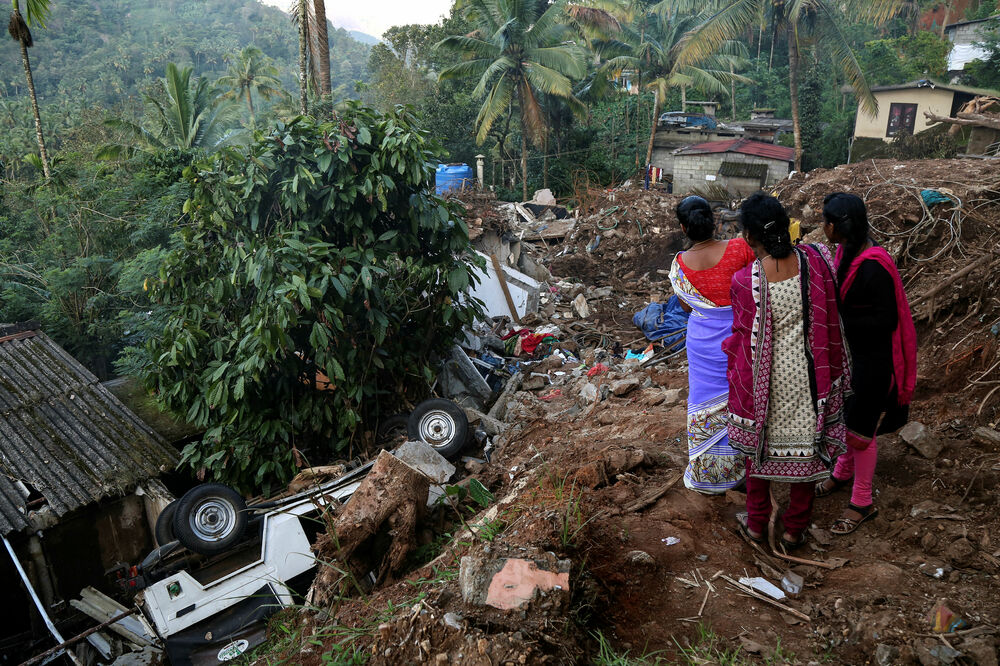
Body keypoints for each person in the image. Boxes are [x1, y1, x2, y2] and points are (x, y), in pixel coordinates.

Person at [724, 193, 849, 550]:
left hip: (768, 387)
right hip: (812, 381)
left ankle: (756, 524)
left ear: (748, 236)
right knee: (806, 456)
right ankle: (795, 529)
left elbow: (742, 340)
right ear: (784, 225)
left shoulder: (746, 281)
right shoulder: (818, 259)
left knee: (757, 452)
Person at [815, 192, 917, 535]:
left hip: (875, 361)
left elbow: (887, 319)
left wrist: (841, 322)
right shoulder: (847, 251)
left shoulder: (873, 265)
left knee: (861, 430)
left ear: (835, 227)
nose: (822, 228)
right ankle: (843, 471)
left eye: (824, 221)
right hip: (855, 355)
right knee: (850, 418)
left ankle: (862, 502)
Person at [668, 195, 756, 493]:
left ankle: (709, 474)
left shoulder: (679, 265)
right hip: (740, 338)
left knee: (703, 403)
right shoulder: (741, 249)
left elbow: (683, 306)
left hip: (703, 344)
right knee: (742, 399)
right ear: (714, 220)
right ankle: (745, 471)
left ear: (683, 227)